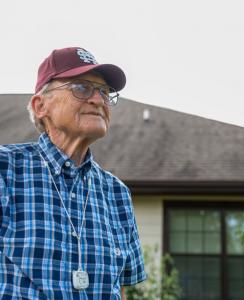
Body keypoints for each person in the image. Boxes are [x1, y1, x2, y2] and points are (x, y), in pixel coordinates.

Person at [0, 47, 146, 299]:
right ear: (40, 106)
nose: (99, 100)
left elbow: (120, 289)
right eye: (81, 88)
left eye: (104, 92)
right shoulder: (6, 169)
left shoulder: (117, 193)